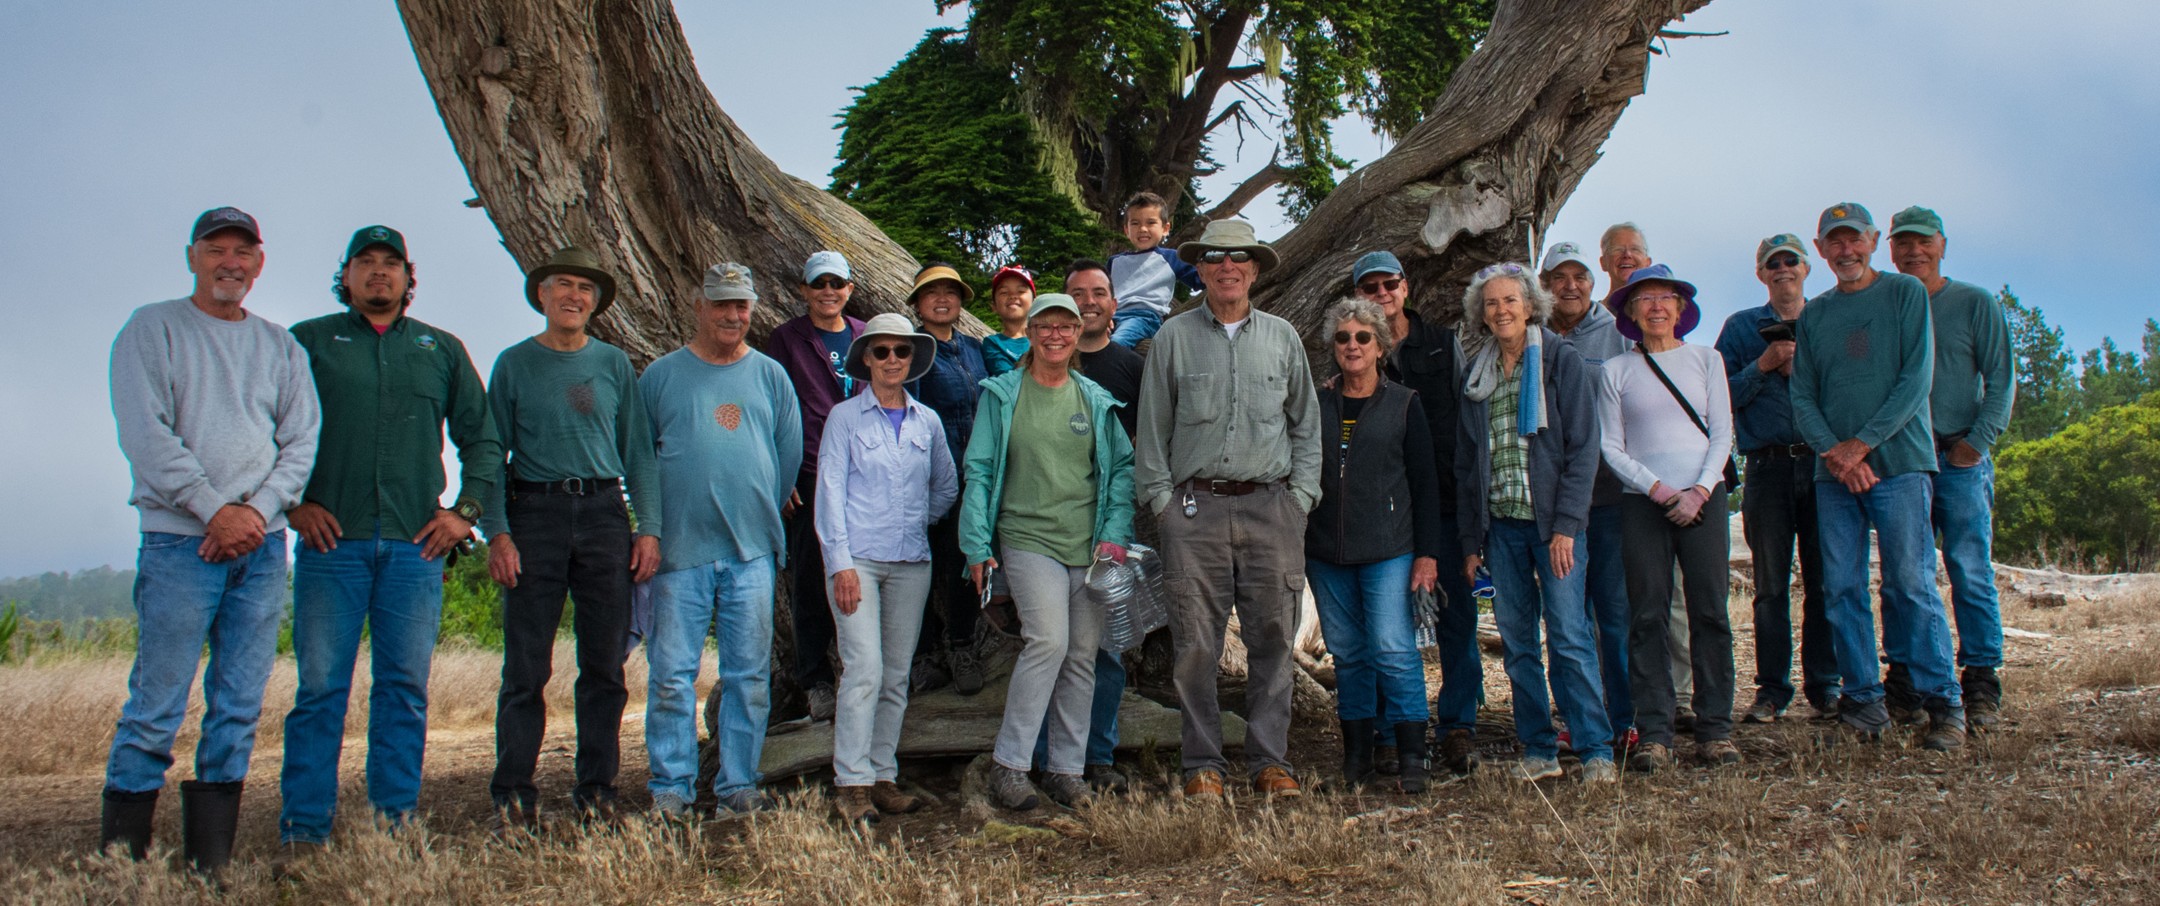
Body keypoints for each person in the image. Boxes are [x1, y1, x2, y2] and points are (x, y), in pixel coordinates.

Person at [102, 207, 320, 871]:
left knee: (238, 707)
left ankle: (209, 865)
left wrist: (256, 512)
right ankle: (123, 865)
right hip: (179, 546)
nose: (230, 261)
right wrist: (212, 509)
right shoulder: (154, 329)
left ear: (259, 262)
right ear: (192, 256)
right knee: (157, 705)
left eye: (242, 251)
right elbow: (145, 433)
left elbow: (301, 439)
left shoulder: (279, 346)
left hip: (261, 549)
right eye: (216, 248)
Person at [279, 226, 498, 857]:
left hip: (414, 546)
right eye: (366, 263)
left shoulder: (439, 350)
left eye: (391, 264)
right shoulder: (311, 343)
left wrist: (466, 512)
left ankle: (394, 826)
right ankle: (304, 830)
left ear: (409, 278)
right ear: (345, 275)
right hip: (331, 545)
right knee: (320, 689)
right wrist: (292, 503)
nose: (379, 273)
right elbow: (271, 424)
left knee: (403, 688)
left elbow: (480, 438)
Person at [1134, 218, 1321, 802]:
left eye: (1239, 257)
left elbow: (1307, 429)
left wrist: (1299, 501)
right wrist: (1163, 506)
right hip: (1194, 513)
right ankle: (1203, 766)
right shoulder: (1173, 337)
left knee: (1272, 638)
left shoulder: (1284, 338)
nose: (1227, 266)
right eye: (1214, 257)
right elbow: (1151, 433)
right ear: (1203, 268)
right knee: (1194, 645)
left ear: (1255, 268)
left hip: (1272, 510)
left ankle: (1270, 761)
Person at [482, 246, 662, 824]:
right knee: (526, 667)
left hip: (606, 513)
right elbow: (490, 453)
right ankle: (513, 794)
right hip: (535, 513)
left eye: (585, 289)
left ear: (596, 303)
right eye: (563, 285)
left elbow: (638, 453)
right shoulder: (513, 364)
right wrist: (498, 533)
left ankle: (597, 792)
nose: (573, 297)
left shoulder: (612, 364)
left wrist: (648, 529)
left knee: (605, 665)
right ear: (542, 294)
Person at [1790, 203, 1965, 750]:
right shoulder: (1815, 314)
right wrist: (1836, 455)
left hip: (1900, 465)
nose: (1846, 252)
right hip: (1834, 478)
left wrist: (1861, 446)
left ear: (1872, 241)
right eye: (1834, 243)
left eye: (1855, 241)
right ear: (1820, 251)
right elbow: (1803, 395)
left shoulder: (1903, 295)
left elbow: (1916, 380)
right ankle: (1864, 703)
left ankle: (1943, 703)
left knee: (1910, 584)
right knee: (1841, 588)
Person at [961, 294, 1137, 810]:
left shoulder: (1094, 398)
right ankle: (1010, 766)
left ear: (1078, 332)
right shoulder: (1002, 394)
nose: (1056, 334)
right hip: (1027, 537)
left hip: (1089, 545)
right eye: (1046, 325)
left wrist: (1115, 534)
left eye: (1066, 325)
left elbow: (1121, 471)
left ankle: (1066, 770)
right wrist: (975, 544)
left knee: (1083, 655)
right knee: (1049, 643)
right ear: (1031, 331)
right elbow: (980, 469)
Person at [639, 263, 803, 817]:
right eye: (722, 304)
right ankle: (671, 788)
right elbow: (638, 458)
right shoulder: (661, 377)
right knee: (671, 677)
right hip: (679, 552)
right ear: (699, 306)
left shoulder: (770, 376)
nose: (733, 315)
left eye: (742, 306)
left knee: (748, 676)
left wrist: (758, 502)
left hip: (751, 551)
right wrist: (650, 529)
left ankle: (738, 786)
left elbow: (788, 456)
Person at [1453, 263, 1615, 784]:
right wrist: (1471, 540)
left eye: (1511, 301)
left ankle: (1595, 749)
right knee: (1518, 641)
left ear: (1530, 306)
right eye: (1492, 303)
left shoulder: (1560, 362)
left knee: (1569, 635)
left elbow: (1584, 450)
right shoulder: (1477, 374)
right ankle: (1539, 748)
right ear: (1482, 314)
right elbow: (1466, 463)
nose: (1501, 311)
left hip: (1554, 529)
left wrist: (1568, 525)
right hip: (1501, 529)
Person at [1595, 264, 1738, 772]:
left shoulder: (1706, 360)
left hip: (1706, 498)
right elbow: (1611, 446)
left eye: (1665, 298)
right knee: (1647, 614)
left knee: (1709, 612)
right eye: (1645, 299)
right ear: (1630, 312)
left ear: (1681, 309)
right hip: (1643, 503)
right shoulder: (1616, 372)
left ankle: (1715, 728)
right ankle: (1655, 730)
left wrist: (1698, 490)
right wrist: (1656, 488)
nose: (1656, 307)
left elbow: (1721, 433)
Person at [818, 313, 958, 824]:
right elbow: (828, 495)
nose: (893, 360)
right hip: (858, 562)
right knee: (864, 671)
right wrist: (840, 565)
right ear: (867, 360)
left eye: (902, 351)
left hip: (911, 564)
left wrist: (918, 520)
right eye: (882, 352)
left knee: (896, 676)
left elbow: (946, 483)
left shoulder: (928, 422)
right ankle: (850, 784)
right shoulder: (845, 419)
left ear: (912, 360)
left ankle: (882, 776)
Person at [1308, 298, 1444, 792]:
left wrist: (1427, 555)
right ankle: (1358, 757)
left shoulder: (1404, 403)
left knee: (1392, 648)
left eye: (1363, 337)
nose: (1352, 345)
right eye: (1343, 337)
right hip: (1326, 550)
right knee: (1348, 653)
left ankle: (1412, 754)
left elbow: (1426, 483)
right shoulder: (1316, 402)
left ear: (1381, 345)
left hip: (1390, 548)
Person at [1888, 206, 2015, 729]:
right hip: (1903, 459)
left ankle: (1981, 678)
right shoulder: (1888, 304)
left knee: (1968, 568)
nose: (1914, 252)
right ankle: (1908, 676)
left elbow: (2002, 379)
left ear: (1942, 245)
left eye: (1924, 243)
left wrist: (1976, 444)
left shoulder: (1973, 303)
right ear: (1890, 250)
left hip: (1958, 456)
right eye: (1904, 244)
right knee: (1904, 573)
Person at [1356, 250, 1482, 777]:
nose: (1382, 294)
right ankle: (1390, 730)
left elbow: (1466, 425)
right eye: (1371, 287)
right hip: (1386, 504)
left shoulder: (1443, 344)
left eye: (1390, 284)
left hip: (1447, 499)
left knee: (1456, 617)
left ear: (1406, 288)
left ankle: (1458, 726)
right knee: (1386, 625)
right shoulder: (1357, 347)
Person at [1715, 234, 1841, 723]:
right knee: (1769, 586)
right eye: (1773, 263)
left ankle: (1825, 685)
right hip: (1766, 466)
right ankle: (1771, 690)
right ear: (1761, 273)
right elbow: (1720, 397)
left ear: (1807, 268)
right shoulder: (1744, 328)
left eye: (1791, 261)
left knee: (1823, 582)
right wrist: (1763, 366)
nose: (1783, 269)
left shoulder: (1829, 321)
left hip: (1822, 464)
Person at [1540, 240, 1639, 752]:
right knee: (1564, 618)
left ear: (1593, 282)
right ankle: (1579, 719)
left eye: (1579, 276)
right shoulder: (1532, 337)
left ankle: (1624, 720)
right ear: (1545, 285)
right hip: (1553, 502)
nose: (1571, 285)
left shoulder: (1619, 334)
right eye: (1560, 277)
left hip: (1609, 497)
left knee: (1614, 614)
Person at [764, 251, 867, 722]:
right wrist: (782, 475)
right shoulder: (786, 340)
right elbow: (772, 411)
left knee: (867, 572)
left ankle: (864, 673)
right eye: (819, 283)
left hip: (867, 476)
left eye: (837, 283)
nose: (828, 291)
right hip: (809, 472)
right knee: (811, 576)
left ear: (850, 288)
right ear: (804, 290)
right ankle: (815, 680)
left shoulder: (868, 336)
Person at [1065, 258, 1146, 792]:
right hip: (1048, 525)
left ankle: (1099, 755)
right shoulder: (1044, 363)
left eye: (1100, 292)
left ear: (1115, 305)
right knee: (1052, 646)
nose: (1090, 301)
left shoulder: (1132, 369)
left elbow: (1148, 444)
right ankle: (1054, 757)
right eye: (1078, 293)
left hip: (1112, 525)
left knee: (1107, 650)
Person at [907, 263, 992, 694]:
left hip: (973, 477)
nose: (942, 298)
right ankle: (920, 658)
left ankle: (962, 647)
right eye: (932, 292)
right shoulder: (912, 350)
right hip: (926, 478)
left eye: (951, 292)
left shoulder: (975, 349)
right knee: (919, 567)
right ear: (918, 303)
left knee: (964, 566)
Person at [1107, 191, 1203, 348]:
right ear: (1126, 230)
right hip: (1113, 316)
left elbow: (1202, 280)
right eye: (1135, 223)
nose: (1143, 229)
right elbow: (1103, 294)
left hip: (1144, 316)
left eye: (1151, 223)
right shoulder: (1115, 261)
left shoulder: (1171, 258)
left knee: (1117, 344)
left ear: (1165, 228)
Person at [982, 265, 1035, 377]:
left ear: (1035, 302)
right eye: (1004, 292)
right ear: (994, 305)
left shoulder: (1047, 337)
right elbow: (1009, 379)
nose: (1013, 296)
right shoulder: (992, 344)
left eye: (1021, 291)